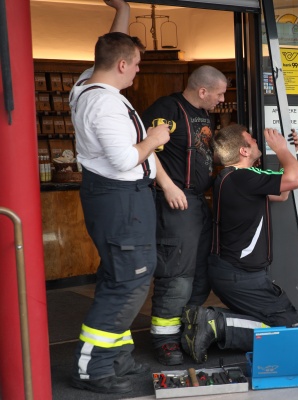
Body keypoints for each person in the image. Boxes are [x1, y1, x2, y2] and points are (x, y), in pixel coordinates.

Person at [68, 0, 172, 394]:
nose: (140, 70)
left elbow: (110, 47)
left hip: (122, 198)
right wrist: (155, 138)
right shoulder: (103, 103)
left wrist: (123, 9)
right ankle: (90, 368)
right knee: (129, 281)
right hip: (119, 198)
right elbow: (126, 157)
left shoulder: (88, 83)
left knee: (126, 277)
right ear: (123, 65)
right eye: (138, 63)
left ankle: (116, 358)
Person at [181, 124, 298, 362]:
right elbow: (297, 178)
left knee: (283, 322)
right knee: (285, 331)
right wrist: (281, 150)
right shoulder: (243, 178)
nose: (257, 141)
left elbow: (282, 192)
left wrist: (290, 153)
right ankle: (215, 323)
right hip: (240, 275)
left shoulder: (234, 179)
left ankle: (213, 323)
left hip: (236, 273)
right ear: (243, 151)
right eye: (252, 140)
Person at [140, 65, 228, 365]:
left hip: (197, 201)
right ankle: (164, 340)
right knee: (176, 274)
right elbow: (145, 148)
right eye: (219, 94)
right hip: (175, 202)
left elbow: (204, 152)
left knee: (201, 274)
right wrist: (167, 186)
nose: (221, 100)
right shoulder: (167, 109)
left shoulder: (204, 113)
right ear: (202, 91)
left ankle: (183, 329)